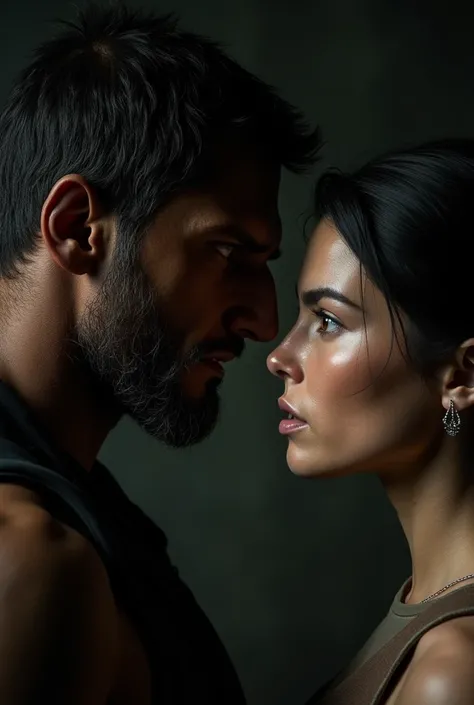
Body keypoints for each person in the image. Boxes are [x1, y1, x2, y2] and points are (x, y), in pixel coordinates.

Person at [0, 3, 319, 704]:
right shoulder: (28, 562)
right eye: (230, 252)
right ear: (80, 227)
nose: (265, 321)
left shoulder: (73, 511)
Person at [268, 139, 474, 705]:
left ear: (463, 375)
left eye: (328, 320)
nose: (281, 356)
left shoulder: (451, 672)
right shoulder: (425, 607)